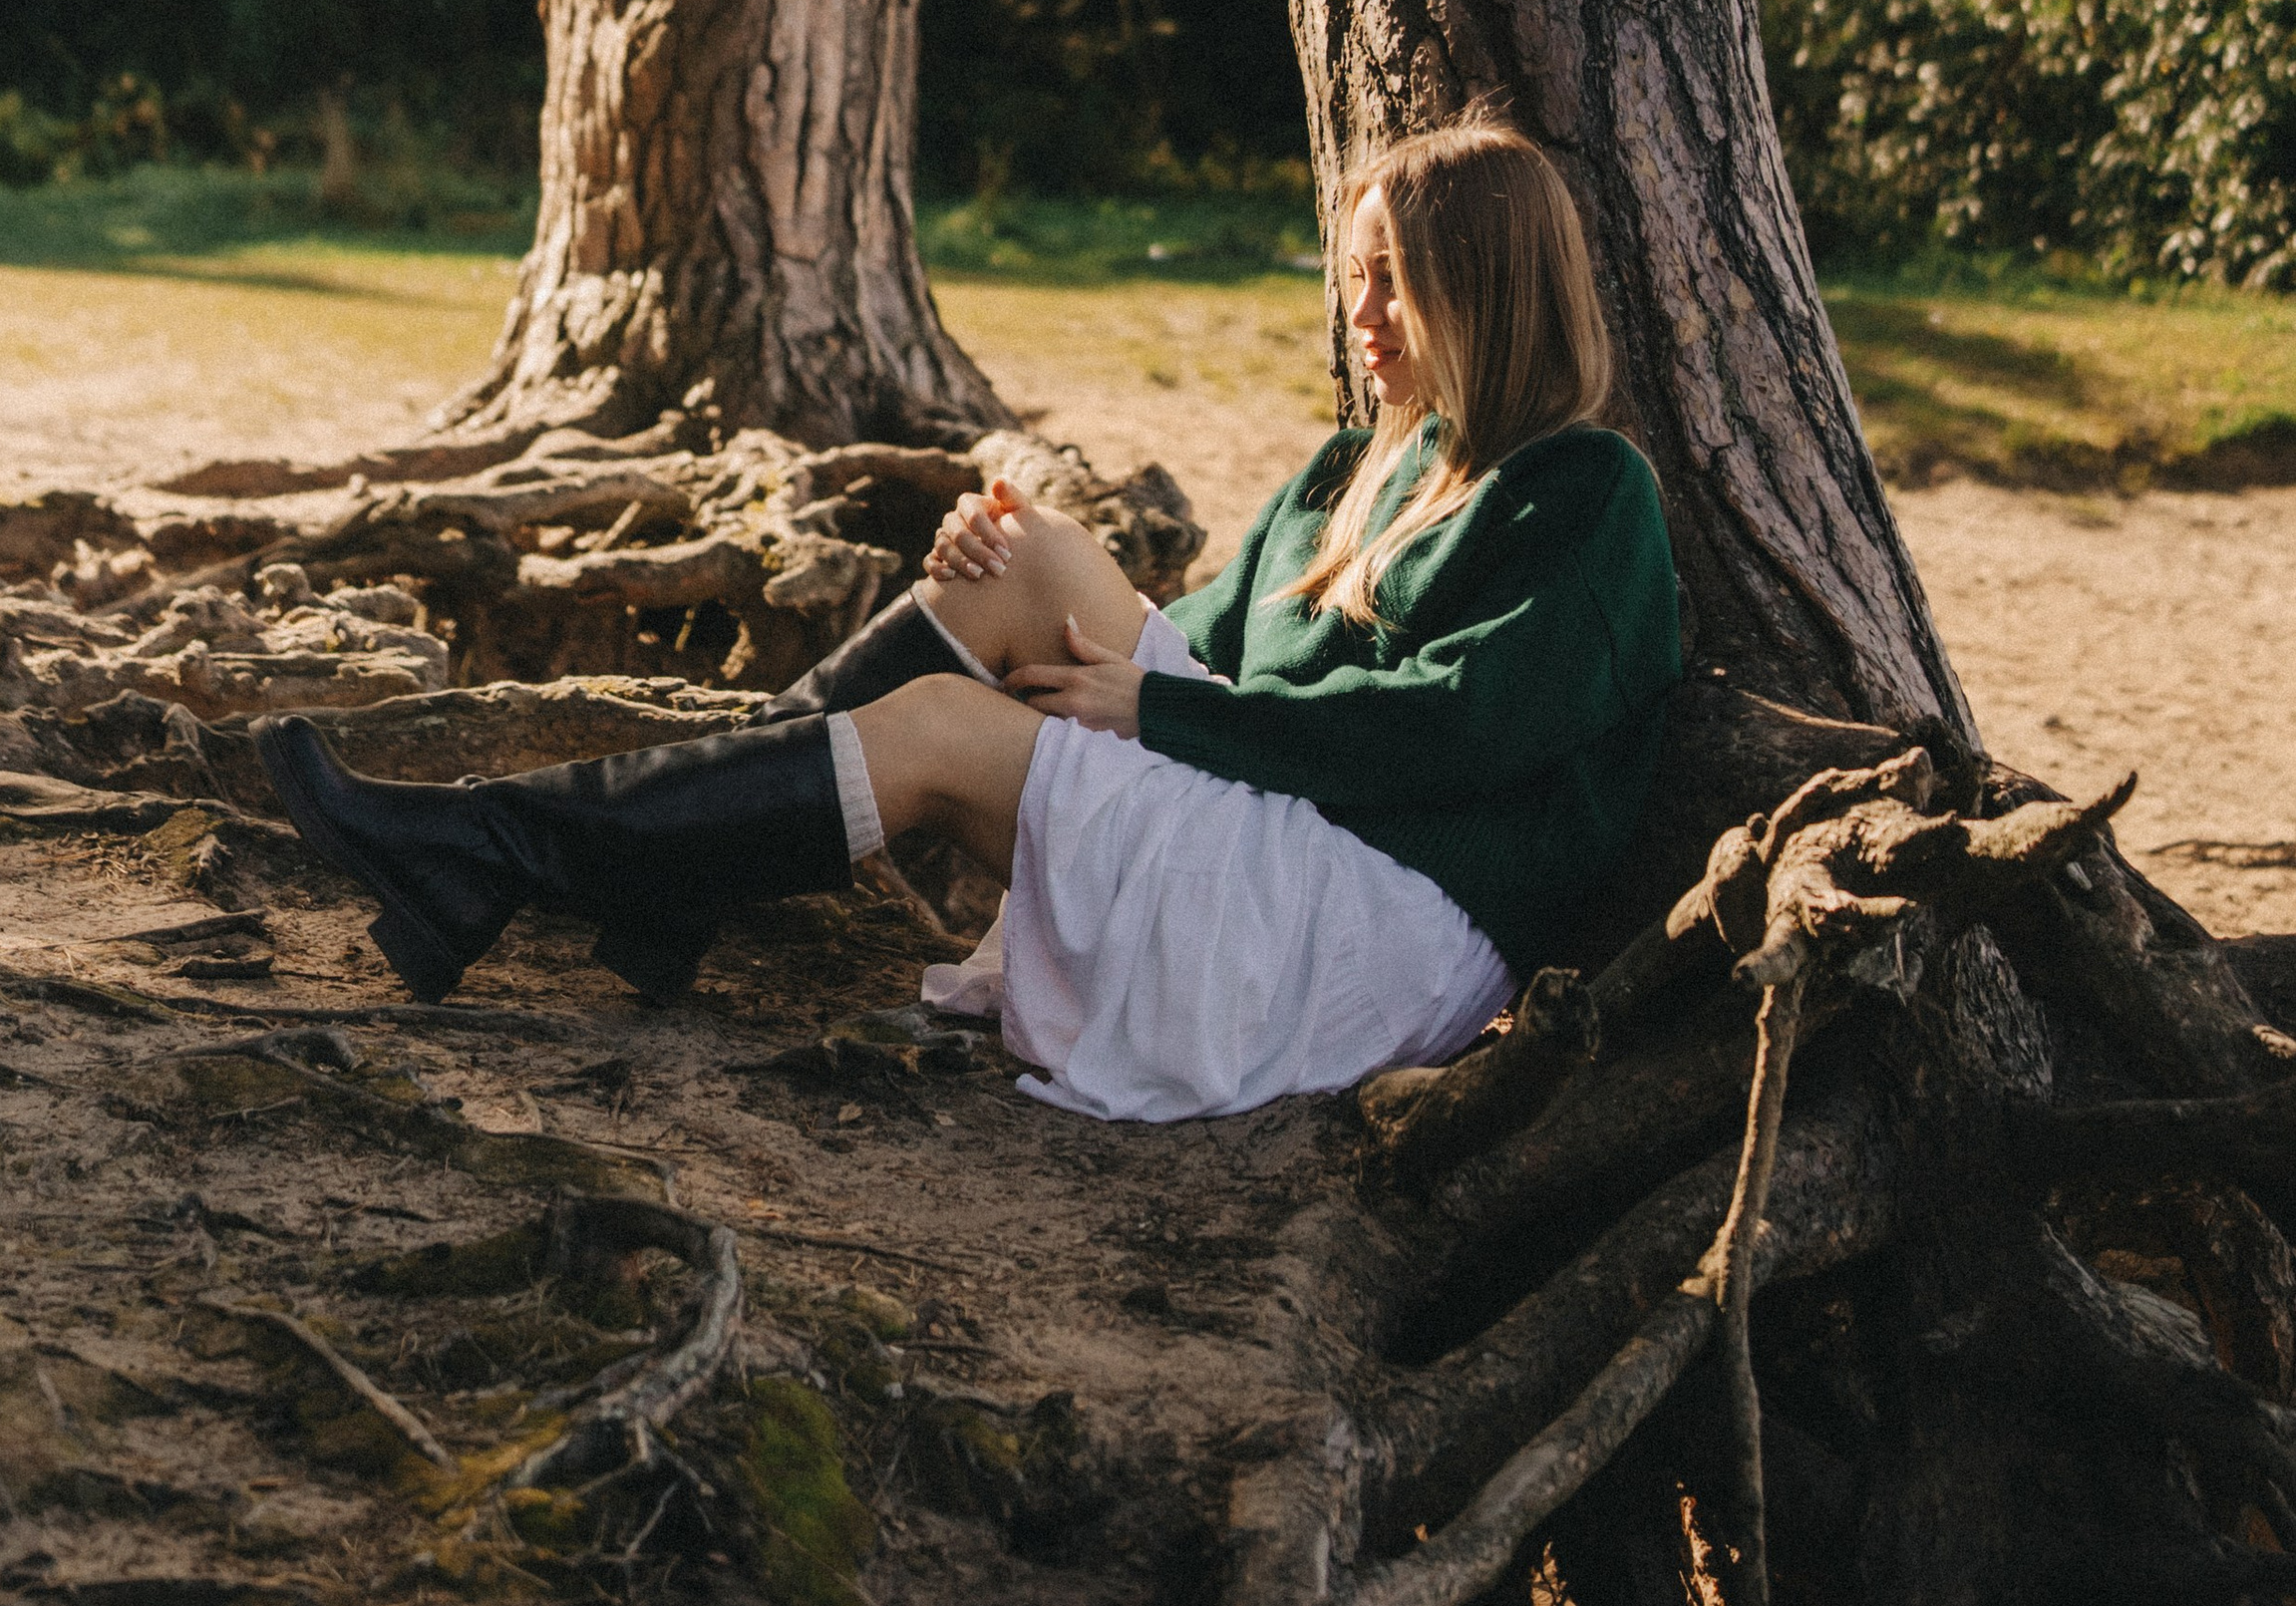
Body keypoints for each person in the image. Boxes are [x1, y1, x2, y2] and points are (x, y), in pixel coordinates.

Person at [251, 114, 1682, 1122]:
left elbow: (1462, 728)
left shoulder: (1580, 492)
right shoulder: (1357, 463)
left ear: (1483, 289)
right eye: (1354, 271)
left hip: (1377, 917)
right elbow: (1211, 635)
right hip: (1289, 816)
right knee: (1022, 549)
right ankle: (652, 872)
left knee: (940, 729)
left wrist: (1161, 710)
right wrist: (1005, 587)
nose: (1359, 310)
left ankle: (494, 847)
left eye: (1397, 279)